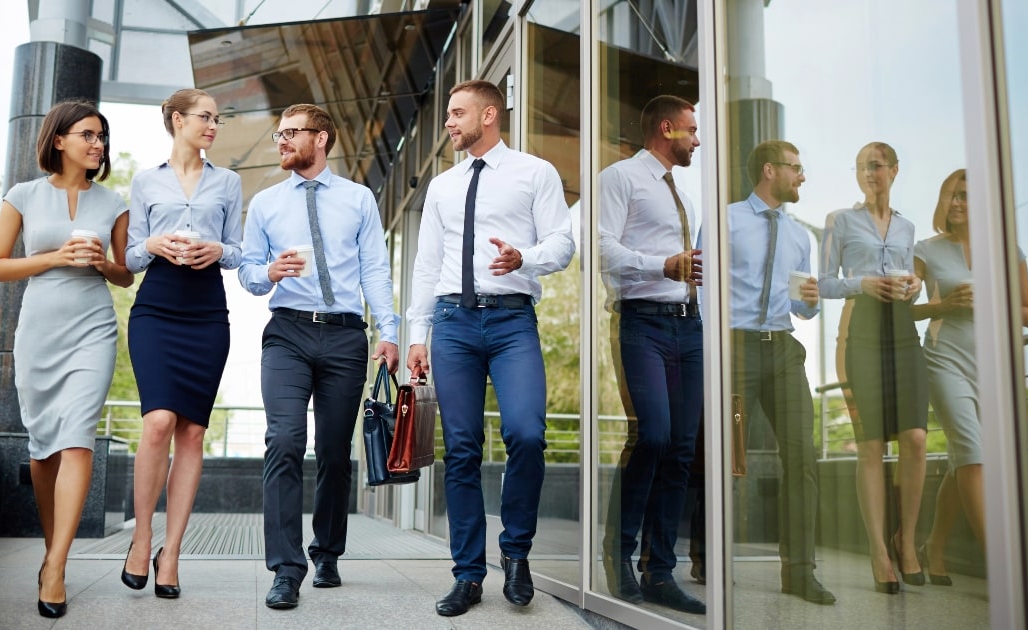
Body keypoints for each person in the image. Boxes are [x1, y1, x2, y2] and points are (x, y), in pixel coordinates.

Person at [406, 79, 575, 617]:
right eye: (449, 114)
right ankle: (468, 574)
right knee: (461, 449)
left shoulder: (534, 172)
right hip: (453, 323)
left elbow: (563, 243)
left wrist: (523, 258)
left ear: (490, 114)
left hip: (511, 323)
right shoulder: (442, 187)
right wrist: (418, 333)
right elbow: (426, 262)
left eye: (458, 114)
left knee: (527, 432)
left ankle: (517, 554)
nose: (450, 123)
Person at [239, 103, 399, 611]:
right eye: (279, 134)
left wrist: (389, 332)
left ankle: (327, 550)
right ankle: (286, 569)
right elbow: (246, 272)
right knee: (283, 440)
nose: (281, 142)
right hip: (286, 332)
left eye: (291, 134)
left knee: (333, 451)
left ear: (322, 138)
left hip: (347, 337)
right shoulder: (265, 204)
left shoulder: (358, 199)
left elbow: (375, 269)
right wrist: (269, 273)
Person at [0, 99, 133, 618]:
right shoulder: (23, 195)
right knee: (44, 447)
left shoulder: (114, 201)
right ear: (60, 140)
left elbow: (125, 273)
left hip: (92, 327)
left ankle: (56, 566)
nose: (98, 145)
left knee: (78, 439)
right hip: (39, 330)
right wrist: (54, 257)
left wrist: (103, 264)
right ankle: (54, 552)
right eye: (88, 135)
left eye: (101, 137)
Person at [121, 88, 243, 600]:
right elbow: (129, 257)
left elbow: (238, 251)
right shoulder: (145, 180)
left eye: (217, 119)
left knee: (192, 432)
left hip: (207, 310)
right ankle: (142, 534)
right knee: (158, 422)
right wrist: (150, 244)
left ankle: (171, 552)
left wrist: (218, 248)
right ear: (176, 120)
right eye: (205, 117)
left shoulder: (230, 182)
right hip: (157, 307)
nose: (213, 125)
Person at [598, 94, 705, 614]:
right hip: (642, 321)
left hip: (690, 326)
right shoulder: (620, 178)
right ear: (667, 128)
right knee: (653, 435)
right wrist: (660, 265)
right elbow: (600, 247)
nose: (698, 139)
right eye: (691, 130)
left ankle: (659, 570)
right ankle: (617, 554)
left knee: (683, 448)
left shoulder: (685, 193)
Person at [913, 169, 1028, 585]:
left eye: (967, 196)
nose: (959, 203)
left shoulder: (1007, 251)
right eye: (952, 195)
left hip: (992, 362)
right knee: (970, 448)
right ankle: (1000, 567)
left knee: (963, 458)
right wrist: (943, 305)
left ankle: (936, 545)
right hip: (944, 358)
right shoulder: (925, 250)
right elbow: (902, 308)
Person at [729, 140, 835, 605]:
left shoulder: (799, 237)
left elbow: (801, 307)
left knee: (803, 458)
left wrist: (809, 302)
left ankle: (799, 571)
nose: (802, 177)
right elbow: (703, 285)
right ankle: (706, 554)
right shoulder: (728, 220)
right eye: (796, 168)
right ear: (770, 171)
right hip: (734, 349)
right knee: (723, 455)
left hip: (782, 349)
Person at [819, 141, 927, 594]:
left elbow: (910, 285)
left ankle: (907, 541)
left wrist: (915, 285)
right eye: (863, 166)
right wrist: (860, 283)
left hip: (903, 332)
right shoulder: (840, 222)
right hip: (862, 332)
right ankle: (879, 552)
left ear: (895, 171)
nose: (869, 173)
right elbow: (823, 282)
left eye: (877, 166)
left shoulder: (907, 227)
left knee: (917, 439)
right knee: (869, 448)